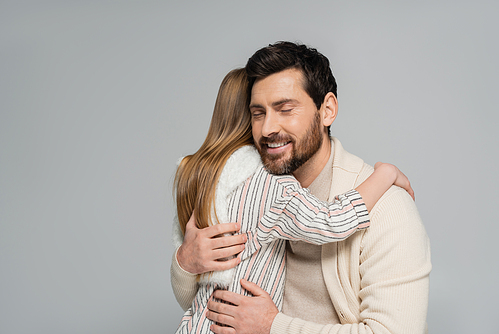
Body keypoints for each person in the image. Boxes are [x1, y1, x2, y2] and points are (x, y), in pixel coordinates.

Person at [172, 42, 431, 334]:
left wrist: (273, 326)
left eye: (285, 109)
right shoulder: (249, 188)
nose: (268, 128)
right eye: (258, 113)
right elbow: (206, 304)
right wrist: (185, 264)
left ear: (327, 110)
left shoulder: (387, 209)